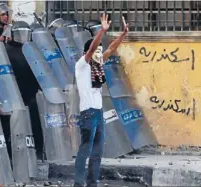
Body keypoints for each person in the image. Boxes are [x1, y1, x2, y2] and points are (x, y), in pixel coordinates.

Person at [73, 14, 128, 187]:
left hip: (98, 113)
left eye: (99, 51)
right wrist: (102, 32)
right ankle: (78, 183)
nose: (98, 53)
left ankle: (92, 183)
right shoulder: (83, 65)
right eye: (96, 51)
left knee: (97, 152)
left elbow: (110, 49)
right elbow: (91, 50)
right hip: (88, 113)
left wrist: (123, 35)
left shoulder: (98, 64)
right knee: (85, 150)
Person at [5, 21, 43, 158]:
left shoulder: (32, 49)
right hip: (15, 91)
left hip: (32, 91)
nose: (22, 36)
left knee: (35, 122)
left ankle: (37, 149)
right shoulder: (6, 50)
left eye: (24, 33)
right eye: (19, 33)